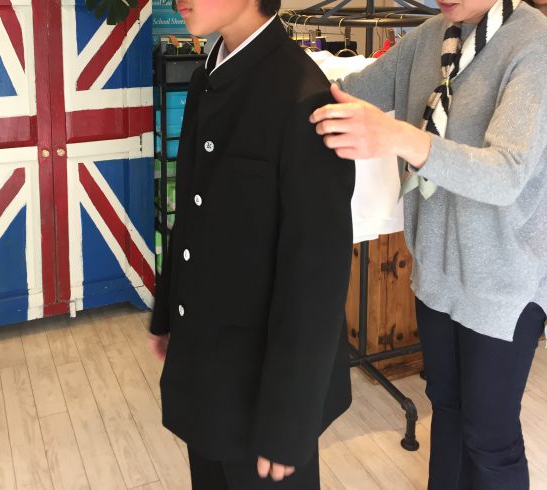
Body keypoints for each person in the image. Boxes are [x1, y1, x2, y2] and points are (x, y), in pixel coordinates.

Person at [310, 0, 547, 488]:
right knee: (447, 408)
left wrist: (399, 137)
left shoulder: (534, 43)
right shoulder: (432, 35)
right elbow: (346, 93)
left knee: (490, 438)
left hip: (503, 283)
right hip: (436, 272)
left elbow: (506, 174)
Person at [149, 0, 355, 488]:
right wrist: (169, 313)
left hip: (266, 383)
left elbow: (317, 273)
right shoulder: (209, 74)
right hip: (207, 361)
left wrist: (290, 417)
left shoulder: (302, 95)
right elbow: (192, 213)